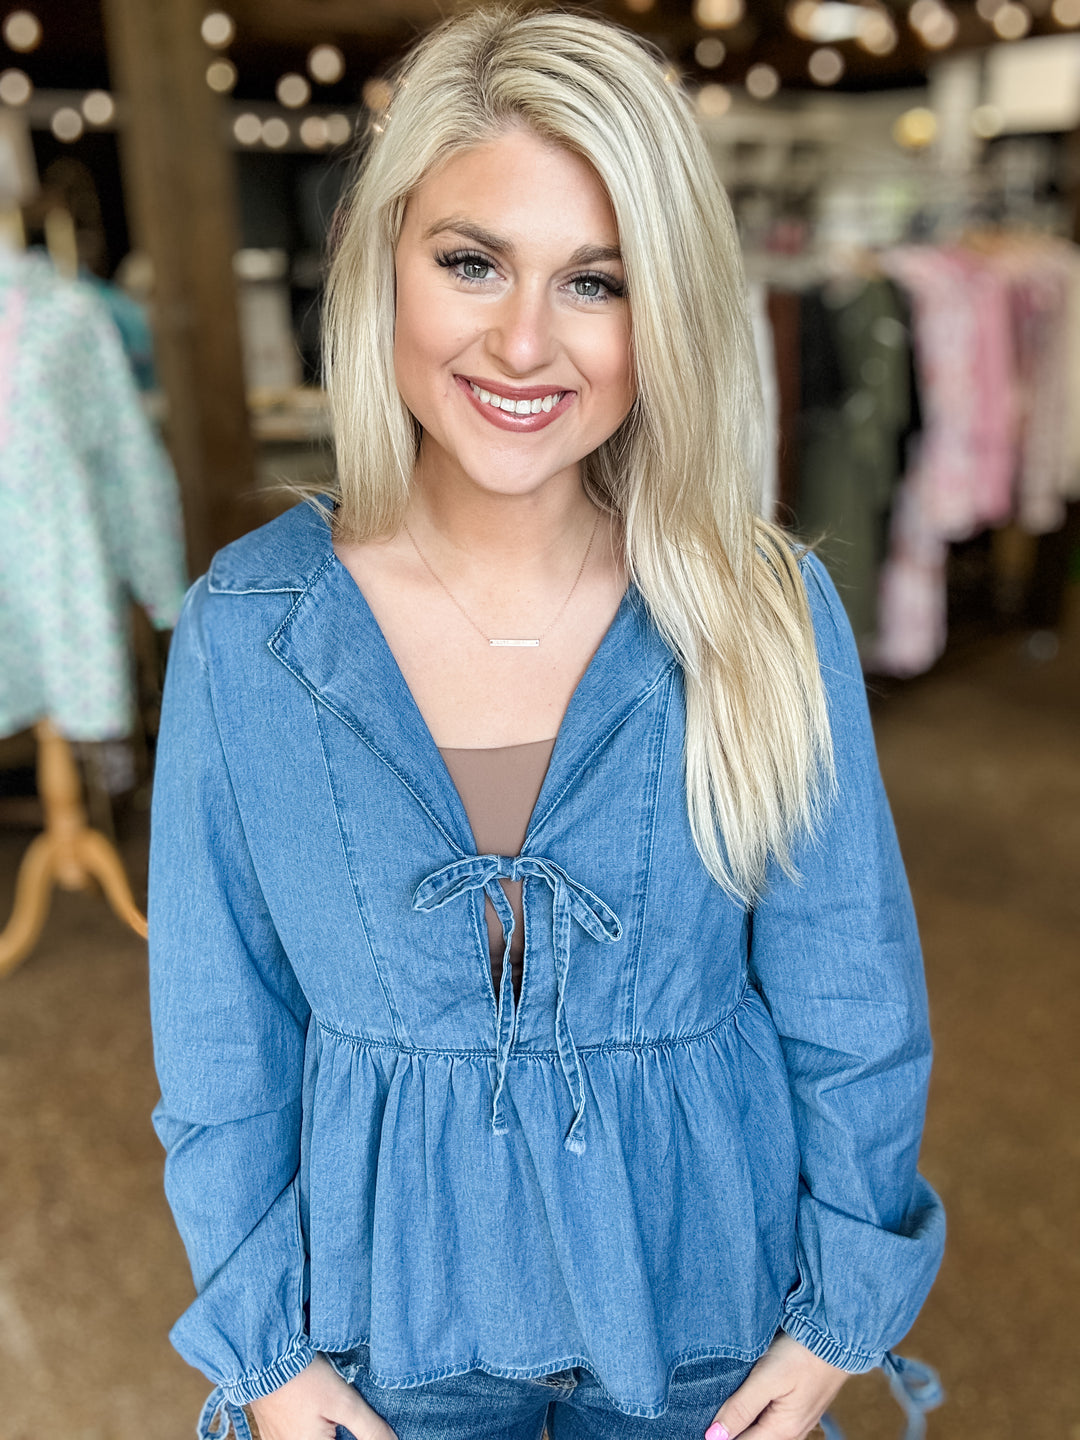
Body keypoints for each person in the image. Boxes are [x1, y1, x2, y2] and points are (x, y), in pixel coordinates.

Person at [147, 10, 945, 1440]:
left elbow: (852, 994)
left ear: (666, 312)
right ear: (380, 262)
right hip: (378, 1335)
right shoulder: (249, 631)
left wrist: (841, 1316)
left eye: (596, 281)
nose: (524, 342)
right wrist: (263, 1356)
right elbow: (221, 1033)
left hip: (711, 1313)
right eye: (471, 262)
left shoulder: (760, 608)